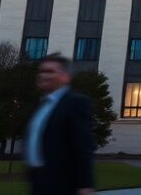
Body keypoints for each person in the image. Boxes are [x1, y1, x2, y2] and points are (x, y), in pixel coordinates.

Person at [24, 54, 95, 195]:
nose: (43, 75)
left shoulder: (76, 102)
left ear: (65, 76)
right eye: (42, 71)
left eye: (50, 71)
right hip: (39, 182)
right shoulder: (44, 104)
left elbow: (82, 146)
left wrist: (85, 185)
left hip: (62, 185)